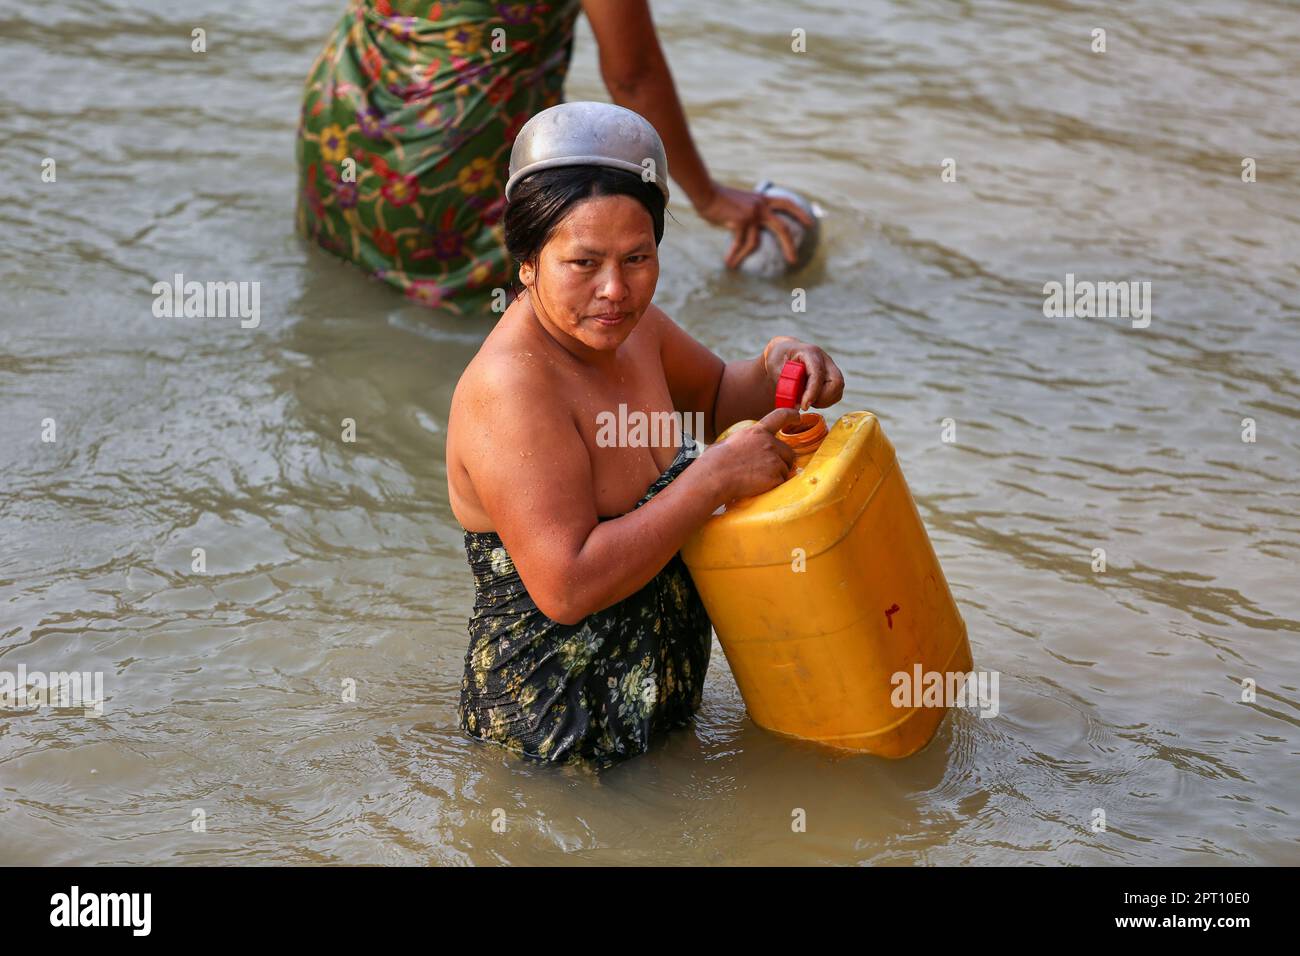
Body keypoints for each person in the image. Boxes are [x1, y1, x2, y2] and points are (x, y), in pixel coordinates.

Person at [447, 103, 844, 765]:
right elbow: (566, 586)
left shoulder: (636, 331)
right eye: (583, 263)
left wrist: (784, 364)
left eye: (637, 257)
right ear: (526, 260)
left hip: (657, 712)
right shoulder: (512, 391)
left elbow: (717, 396)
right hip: (548, 743)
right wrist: (711, 477)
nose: (615, 290)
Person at [296, 0, 815, 313]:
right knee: (521, 340)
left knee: (344, 304)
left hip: (343, 128)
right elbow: (632, 77)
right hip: (452, 165)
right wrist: (710, 199)